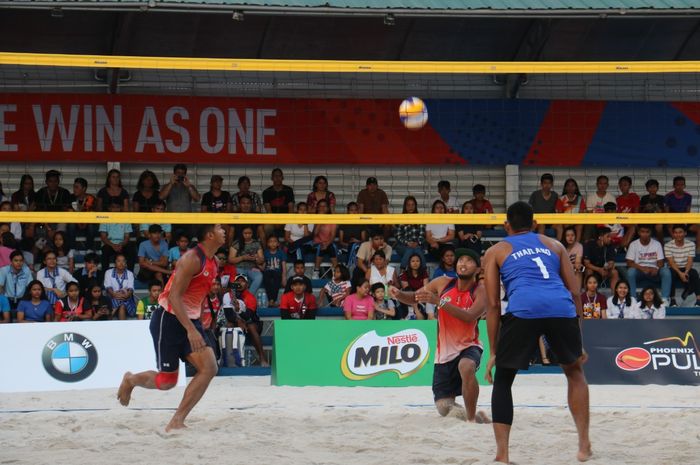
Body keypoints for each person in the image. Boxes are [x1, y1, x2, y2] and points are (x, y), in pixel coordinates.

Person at [483, 201, 591, 464]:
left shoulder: (496, 250)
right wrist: (579, 339)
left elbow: (494, 304)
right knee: (574, 372)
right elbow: (576, 291)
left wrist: (494, 351)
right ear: (534, 224)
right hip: (560, 308)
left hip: (524, 309)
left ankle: (502, 455)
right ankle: (583, 445)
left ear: (506, 225)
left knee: (504, 379)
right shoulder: (555, 245)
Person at [118, 224, 226, 432]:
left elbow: (199, 293)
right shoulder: (191, 259)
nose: (224, 231)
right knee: (167, 381)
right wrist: (191, 330)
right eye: (220, 228)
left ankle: (177, 420)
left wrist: (199, 320)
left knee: (210, 367)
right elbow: (174, 297)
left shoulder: (215, 261)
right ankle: (130, 380)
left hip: (189, 320)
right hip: (168, 319)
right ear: (210, 234)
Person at [391, 248, 489, 423]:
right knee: (444, 408)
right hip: (443, 354)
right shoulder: (443, 282)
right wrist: (399, 295)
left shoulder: (480, 291)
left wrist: (439, 301)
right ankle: (479, 418)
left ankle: (472, 419)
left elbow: (469, 316)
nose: (462, 263)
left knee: (466, 366)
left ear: (478, 269)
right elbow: (414, 297)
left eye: (468, 260)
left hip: (469, 345)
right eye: (460, 260)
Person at [221, 274, 269, 366]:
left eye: (242, 281)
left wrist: (239, 311)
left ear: (247, 285)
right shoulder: (228, 295)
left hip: (253, 323)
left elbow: (248, 316)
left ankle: (262, 358)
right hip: (237, 322)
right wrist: (238, 321)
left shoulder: (250, 297)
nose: (239, 283)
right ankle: (229, 360)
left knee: (250, 325)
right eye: (237, 281)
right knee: (229, 325)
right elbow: (228, 315)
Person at [626, 224, 671, 303]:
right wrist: (642, 268)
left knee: (666, 271)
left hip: (654, 271)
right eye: (642, 232)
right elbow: (629, 263)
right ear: (639, 232)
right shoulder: (633, 244)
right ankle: (632, 299)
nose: (645, 234)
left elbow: (661, 262)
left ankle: (664, 299)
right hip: (639, 271)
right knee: (630, 272)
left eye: (647, 232)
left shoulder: (657, 244)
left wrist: (656, 268)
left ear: (651, 233)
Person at [665, 225, 700, 307]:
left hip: (686, 268)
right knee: (670, 273)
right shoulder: (668, 245)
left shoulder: (691, 244)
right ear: (673, 234)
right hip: (674, 268)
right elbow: (671, 262)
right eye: (676, 233)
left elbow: (690, 261)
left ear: (685, 233)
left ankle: (698, 300)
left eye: (680, 232)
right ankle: (672, 300)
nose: (678, 235)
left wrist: (686, 272)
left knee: (694, 273)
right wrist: (680, 273)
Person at [99, 200, 133, 272]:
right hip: (109, 244)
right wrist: (113, 245)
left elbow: (127, 237)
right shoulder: (105, 218)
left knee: (131, 248)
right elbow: (103, 237)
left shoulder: (125, 218)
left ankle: (131, 273)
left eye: (117, 207)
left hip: (122, 244)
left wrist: (121, 244)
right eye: (113, 207)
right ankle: (104, 274)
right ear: (109, 208)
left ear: (120, 208)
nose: (115, 209)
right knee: (105, 250)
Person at [228, 226, 264, 294]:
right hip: (239, 267)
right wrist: (243, 258)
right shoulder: (237, 243)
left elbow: (262, 260)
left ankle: (249, 295)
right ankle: (241, 296)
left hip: (252, 268)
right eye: (245, 233)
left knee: (259, 276)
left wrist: (256, 258)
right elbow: (230, 259)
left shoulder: (256, 243)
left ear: (252, 233)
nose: (247, 235)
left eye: (249, 233)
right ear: (242, 233)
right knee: (240, 279)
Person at [394, 196, 426, 270]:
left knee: (415, 250)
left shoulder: (420, 218)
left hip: (417, 245)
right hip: (402, 245)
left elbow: (422, 235)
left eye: (412, 205)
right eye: (408, 205)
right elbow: (398, 236)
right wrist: (407, 243)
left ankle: (402, 272)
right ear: (405, 206)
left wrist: (417, 243)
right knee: (410, 249)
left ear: (415, 206)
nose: (411, 207)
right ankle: (425, 273)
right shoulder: (401, 218)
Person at [310, 199, 338, 278]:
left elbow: (333, 235)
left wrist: (327, 243)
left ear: (328, 208)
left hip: (328, 243)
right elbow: (314, 234)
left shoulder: (332, 219)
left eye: (324, 206)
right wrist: (320, 220)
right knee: (320, 247)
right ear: (317, 208)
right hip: (316, 243)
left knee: (331, 247)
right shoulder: (313, 217)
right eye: (320, 206)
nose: (322, 208)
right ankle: (316, 271)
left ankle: (336, 272)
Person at [104, 253, 137, 320]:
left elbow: (130, 289)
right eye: (118, 261)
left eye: (123, 261)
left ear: (126, 263)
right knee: (121, 303)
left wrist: (126, 295)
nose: (121, 263)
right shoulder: (108, 272)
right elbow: (108, 287)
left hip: (126, 298)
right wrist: (114, 294)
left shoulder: (129, 273)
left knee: (122, 304)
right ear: (115, 263)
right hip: (111, 297)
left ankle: (109, 317)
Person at [398, 253, 430, 320]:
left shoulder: (424, 273)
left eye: (417, 261)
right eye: (413, 261)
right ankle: (406, 315)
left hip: (422, 296)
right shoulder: (405, 274)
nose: (415, 263)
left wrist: (418, 296)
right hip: (409, 296)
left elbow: (426, 288)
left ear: (420, 263)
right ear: (409, 263)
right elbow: (406, 289)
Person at [262, 235, 286, 307]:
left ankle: (272, 300)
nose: (272, 243)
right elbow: (263, 266)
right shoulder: (265, 252)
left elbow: (284, 266)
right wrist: (257, 266)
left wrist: (284, 277)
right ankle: (271, 300)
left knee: (276, 281)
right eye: (270, 242)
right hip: (268, 271)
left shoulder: (281, 253)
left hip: (277, 272)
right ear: (267, 244)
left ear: (278, 244)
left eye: (275, 241)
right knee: (266, 278)